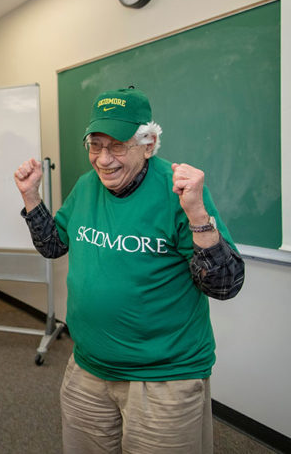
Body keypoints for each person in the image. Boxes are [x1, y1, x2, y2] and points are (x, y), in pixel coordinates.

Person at [13, 87, 245, 454]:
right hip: (88, 367)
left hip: (164, 380)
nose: (104, 159)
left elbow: (224, 284)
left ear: (149, 143)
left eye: (117, 145)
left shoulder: (179, 192)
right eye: (95, 145)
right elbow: (54, 245)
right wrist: (31, 197)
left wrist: (198, 215)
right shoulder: (87, 185)